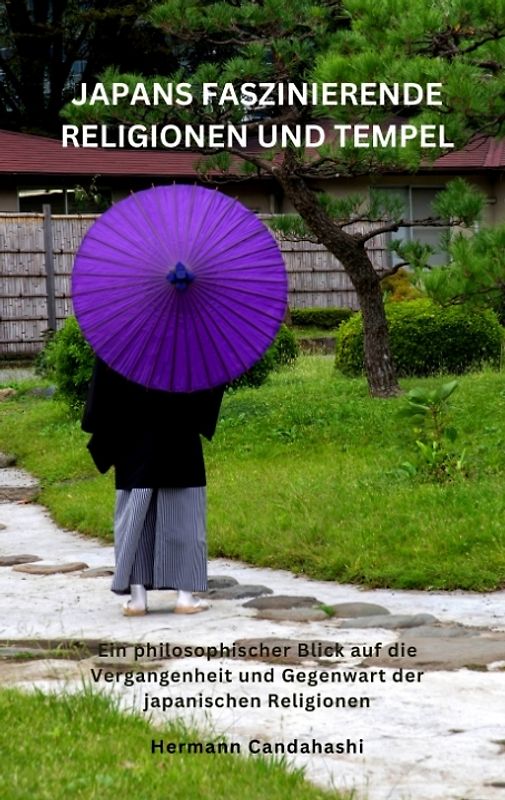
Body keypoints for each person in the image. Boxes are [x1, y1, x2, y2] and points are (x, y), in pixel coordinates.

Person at [81, 357, 224, 616]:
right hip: (179, 437)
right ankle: (185, 597)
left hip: (132, 438)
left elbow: (100, 398)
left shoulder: (121, 342)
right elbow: (209, 383)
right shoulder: (189, 343)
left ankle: (137, 600)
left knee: (135, 519)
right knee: (184, 518)